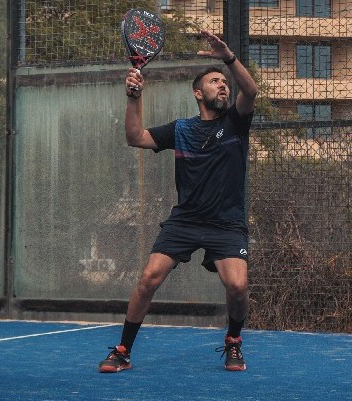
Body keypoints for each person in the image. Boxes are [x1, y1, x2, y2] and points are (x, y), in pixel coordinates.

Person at [98, 30, 258, 373]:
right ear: (198, 93)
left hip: (227, 223)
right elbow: (135, 136)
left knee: (237, 286)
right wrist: (133, 96)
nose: (223, 86)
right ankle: (123, 351)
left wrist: (228, 58)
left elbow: (251, 90)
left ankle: (233, 340)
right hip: (185, 221)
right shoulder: (181, 130)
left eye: (225, 82)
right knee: (148, 278)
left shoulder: (236, 123)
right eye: (215, 82)